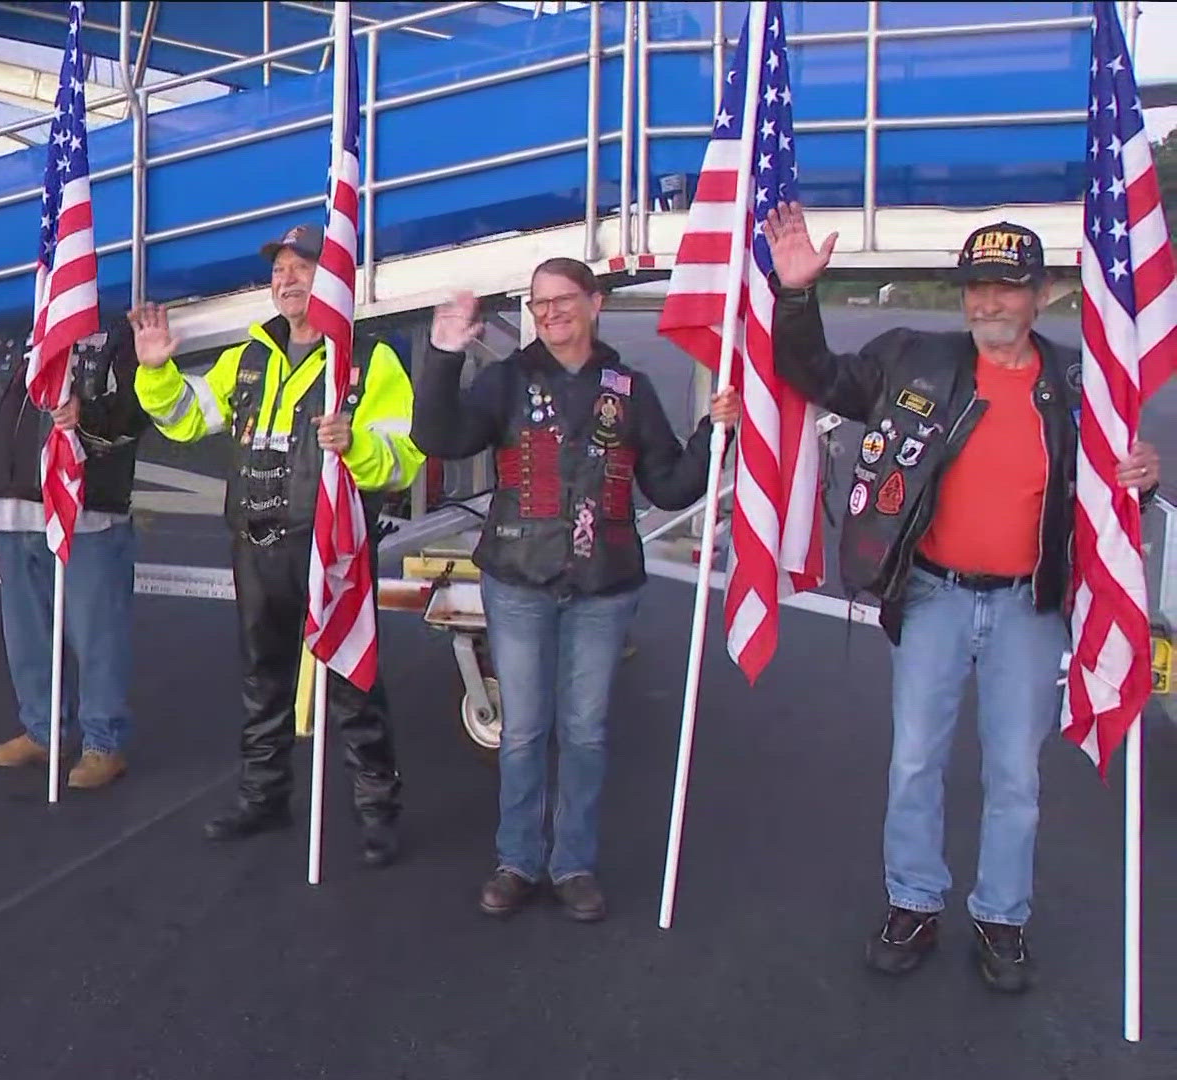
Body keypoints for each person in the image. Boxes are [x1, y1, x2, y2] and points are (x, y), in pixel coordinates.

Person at [763, 205, 1161, 992]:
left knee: (1016, 772)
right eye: (976, 287)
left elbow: (1112, 499)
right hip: (936, 595)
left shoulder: (1080, 386)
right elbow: (818, 377)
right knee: (915, 759)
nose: (987, 303)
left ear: (1041, 295)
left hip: (1028, 606)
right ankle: (913, 901)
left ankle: (1001, 917)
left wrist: (1138, 479)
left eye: (1005, 289)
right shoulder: (912, 358)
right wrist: (798, 296)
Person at [413, 257, 740, 922]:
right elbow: (437, 436)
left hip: (605, 584)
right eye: (538, 304)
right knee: (523, 731)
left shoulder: (632, 388)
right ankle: (516, 860)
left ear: (596, 303)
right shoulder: (504, 382)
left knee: (586, 733)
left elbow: (671, 486)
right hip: (517, 579)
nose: (551, 313)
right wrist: (444, 357)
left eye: (564, 300)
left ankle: (573, 864)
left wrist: (715, 433)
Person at [130, 224, 422, 867]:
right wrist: (156, 372)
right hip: (255, 543)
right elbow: (186, 419)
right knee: (263, 679)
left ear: (335, 278)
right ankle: (263, 797)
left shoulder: (369, 360)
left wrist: (358, 446)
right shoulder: (249, 354)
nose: (287, 280)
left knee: (352, 681)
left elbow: (403, 460)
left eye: (302, 268)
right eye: (280, 271)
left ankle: (378, 812)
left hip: (332, 548)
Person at [0, 244, 147, 789]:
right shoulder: (8, 336)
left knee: (98, 636)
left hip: (88, 512)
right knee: (27, 635)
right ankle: (43, 729)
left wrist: (86, 413)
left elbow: (137, 410)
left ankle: (102, 744)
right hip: (12, 507)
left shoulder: (116, 335)